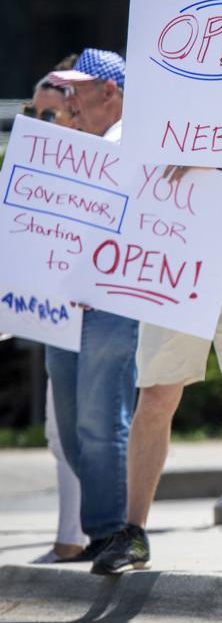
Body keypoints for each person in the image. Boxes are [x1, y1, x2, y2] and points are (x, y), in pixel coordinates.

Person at [91, 0, 222, 576]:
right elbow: (131, 164)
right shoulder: (167, 91)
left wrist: (214, 155)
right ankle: (133, 533)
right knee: (157, 394)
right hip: (175, 257)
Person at [42, 49, 140, 561]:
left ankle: (109, 533)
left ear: (111, 93)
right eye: (64, 90)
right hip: (62, 303)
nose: (67, 100)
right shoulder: (70, 146)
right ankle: (105, 527)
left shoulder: (136, 143)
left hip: (112, 302)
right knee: (73, 425)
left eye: (76, 90)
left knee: (100, 422)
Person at [22, 64, 87, 565]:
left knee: (85, 427)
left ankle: (80, 536)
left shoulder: (101, 157)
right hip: (51, 307)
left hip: (91, 308)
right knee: (57, 428)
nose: (40, 121)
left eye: (50, 112)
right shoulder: (37, 164)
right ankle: (71, 534)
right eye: (33, 112)